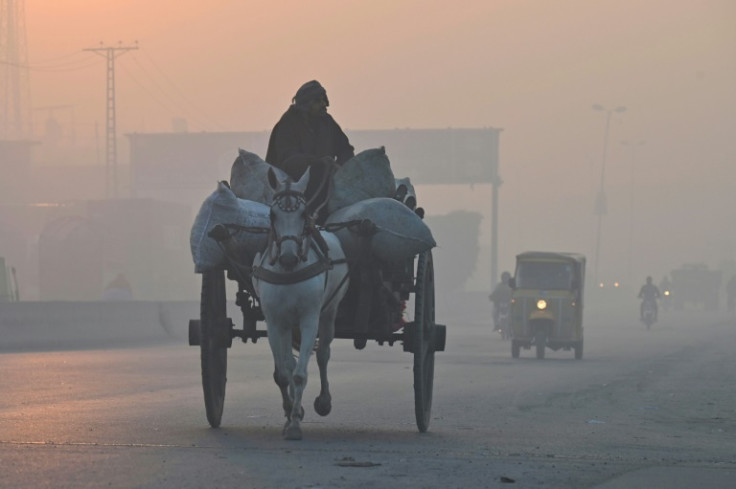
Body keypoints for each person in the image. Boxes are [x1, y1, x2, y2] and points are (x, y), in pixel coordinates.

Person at [266, 80, 355, 223]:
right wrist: (318, 163)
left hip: (327, 176)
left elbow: (346, 149)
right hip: (291, 181)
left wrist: (341, 167)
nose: (324, 105)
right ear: (306, 104)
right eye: (318, 101)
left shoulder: (326, 121)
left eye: (324, 100)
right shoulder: (288, 123)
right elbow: (287, 157)